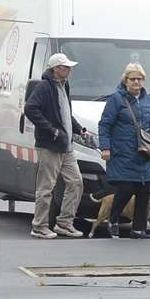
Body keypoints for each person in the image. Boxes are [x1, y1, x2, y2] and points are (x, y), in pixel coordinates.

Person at [24, 52, 92, 239]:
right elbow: (30, 108)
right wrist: (51, 130)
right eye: (66, 67)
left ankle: (64, 223)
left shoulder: (64, 86)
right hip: (50, 146)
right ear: (55, 69)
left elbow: (65, 114)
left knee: (76, 182)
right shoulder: (44, 87)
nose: (69, 70)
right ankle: (39, 226)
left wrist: (79, 129)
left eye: (69, 67)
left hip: (65, 145)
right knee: (46, 187)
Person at [98, 63, 150, 239]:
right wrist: (105, 147)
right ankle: (113, 219)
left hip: (144, 153)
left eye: (139, 79)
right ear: (125, 80)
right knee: (125, 188)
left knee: (144, 189)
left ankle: (139, 229)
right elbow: (105, 125)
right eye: (132, 79)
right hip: (123, 152)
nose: (136, 82)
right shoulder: (116, 99)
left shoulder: (147, 100)